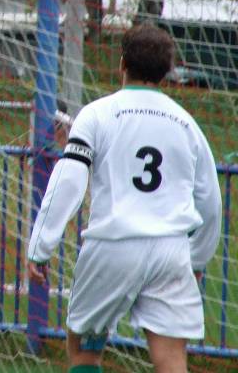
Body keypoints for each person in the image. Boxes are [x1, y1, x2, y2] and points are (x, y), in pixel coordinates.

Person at [27, 24, 222, 373]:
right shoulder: (187, 125)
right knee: (172, 358)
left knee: (85, 352)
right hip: (169, 252)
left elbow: (69, 180)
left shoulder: (98, 114)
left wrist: (41, 246)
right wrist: (196, 260)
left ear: (122, 64)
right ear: (167, 72)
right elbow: (210, 201)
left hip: (113, 247)